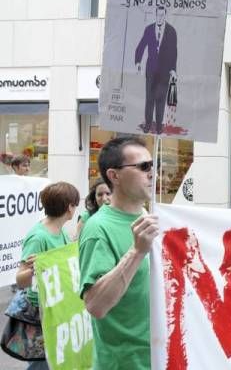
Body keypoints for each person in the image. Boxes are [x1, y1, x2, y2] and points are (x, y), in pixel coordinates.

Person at [79, 136, 160, 369]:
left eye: (153, 165)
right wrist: (136, 252)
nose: (151, 173)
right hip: (125, 363)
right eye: (143, 167)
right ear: (114, 175)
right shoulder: (97, 228)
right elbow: (95, 306)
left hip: (159, 358)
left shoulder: (149, 217)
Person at [16, 181, 80, 370]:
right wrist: (35, 269)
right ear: (69, 207)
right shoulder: (38, 237)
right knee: (42, 363)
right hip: (40, 312)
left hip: (57, 306)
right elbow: (20, 280)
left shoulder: (61, 233)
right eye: (75, 204)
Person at [135, 5, 177, 135]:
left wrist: (173, 69)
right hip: (151, 71)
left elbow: (174, 52)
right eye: (158, 15)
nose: (160, 18)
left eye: (162, 15)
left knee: (160, 99)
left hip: (164, 72)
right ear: (155, 15)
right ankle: (148, 125)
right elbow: (141, 46)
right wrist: (138, 61)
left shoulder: (171, 31)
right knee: (149, 99)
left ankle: (159, 127)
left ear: (165, 15)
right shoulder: (149, 30)